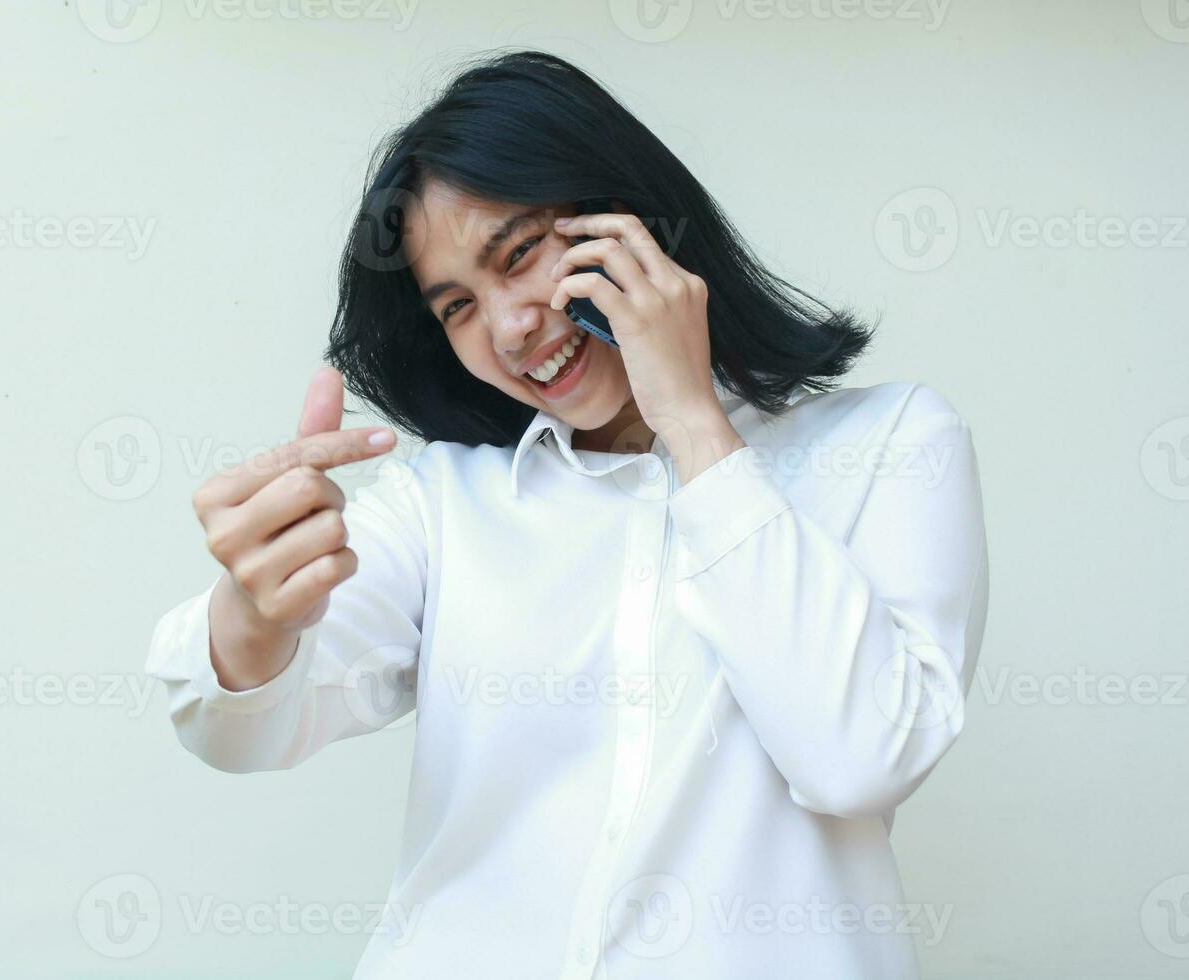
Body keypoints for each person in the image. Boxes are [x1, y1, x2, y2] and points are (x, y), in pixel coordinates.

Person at [145, 49, 989, 979]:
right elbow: (238, 728)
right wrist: (253, 614)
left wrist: (695, 425)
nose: (510, 328)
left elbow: (860, 758)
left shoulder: (890, 446)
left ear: (629, 215)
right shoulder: (447, 506)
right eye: (459, 305)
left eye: (520, 256)